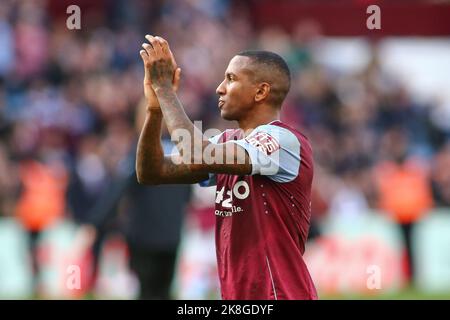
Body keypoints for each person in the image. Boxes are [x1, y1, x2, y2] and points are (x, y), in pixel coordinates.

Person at [136, 35, 317, 300]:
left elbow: (196, 154)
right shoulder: (227, 143)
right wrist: (154, 110)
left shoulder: (283, 141)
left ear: (261, 91)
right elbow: (151, 172)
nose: (220, 88)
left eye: (231, 79)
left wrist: (165, 90)